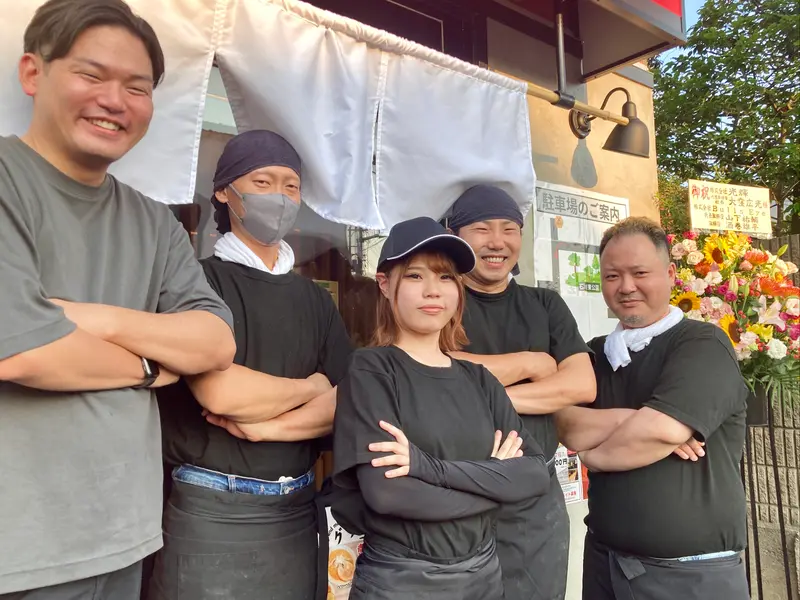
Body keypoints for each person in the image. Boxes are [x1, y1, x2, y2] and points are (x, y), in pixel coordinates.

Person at [0, 1, 237, 597]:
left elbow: (215, 339)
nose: (115, 100)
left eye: (137, 87)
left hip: (126, 534)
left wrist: (90, 317)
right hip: (21, 548)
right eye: (91, 74)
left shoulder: (152, 220)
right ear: (33, 73)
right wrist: (153, 364)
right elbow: (23, 353)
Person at [148, 129, 353, 600]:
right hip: (210, 510)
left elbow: (346, 400)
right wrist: (311, 387)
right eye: (262, 182)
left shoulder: (314, 300)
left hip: (297, 511)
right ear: (225, 192)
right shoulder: (196, 282)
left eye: (291, 186)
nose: (279, 197)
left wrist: (266, 425)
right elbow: (221, 394)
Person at [332, 216, 552, 600]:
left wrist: (426, 469)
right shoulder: (372, 369)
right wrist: (497, 483)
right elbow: (388, 495)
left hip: (485, 576)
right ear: (385, 285)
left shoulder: (478, 378)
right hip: (403, 580)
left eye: (446, 277)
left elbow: (534, 476)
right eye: (416, 276)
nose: (433, 291)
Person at [555, 217, 749, 599]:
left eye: (639, 272)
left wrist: (593, 456)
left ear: (670, 273)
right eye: (612, 276)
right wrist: (638, 420)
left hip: (692, 572)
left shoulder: (701, 344)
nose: (626, 287)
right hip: (605, 563)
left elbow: (659, 432)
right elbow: (566, 425)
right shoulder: (594, 355)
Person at [441, 184, 596, 600]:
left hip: (534, 496)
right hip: (454, 491)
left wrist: (479, 389)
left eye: (509, 228)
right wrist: (531, 364)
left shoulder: (545, 304)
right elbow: (428, 373)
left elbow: (581, 384)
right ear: (454, 235)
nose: (497, 242)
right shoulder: (440, 301)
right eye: (481, 228)